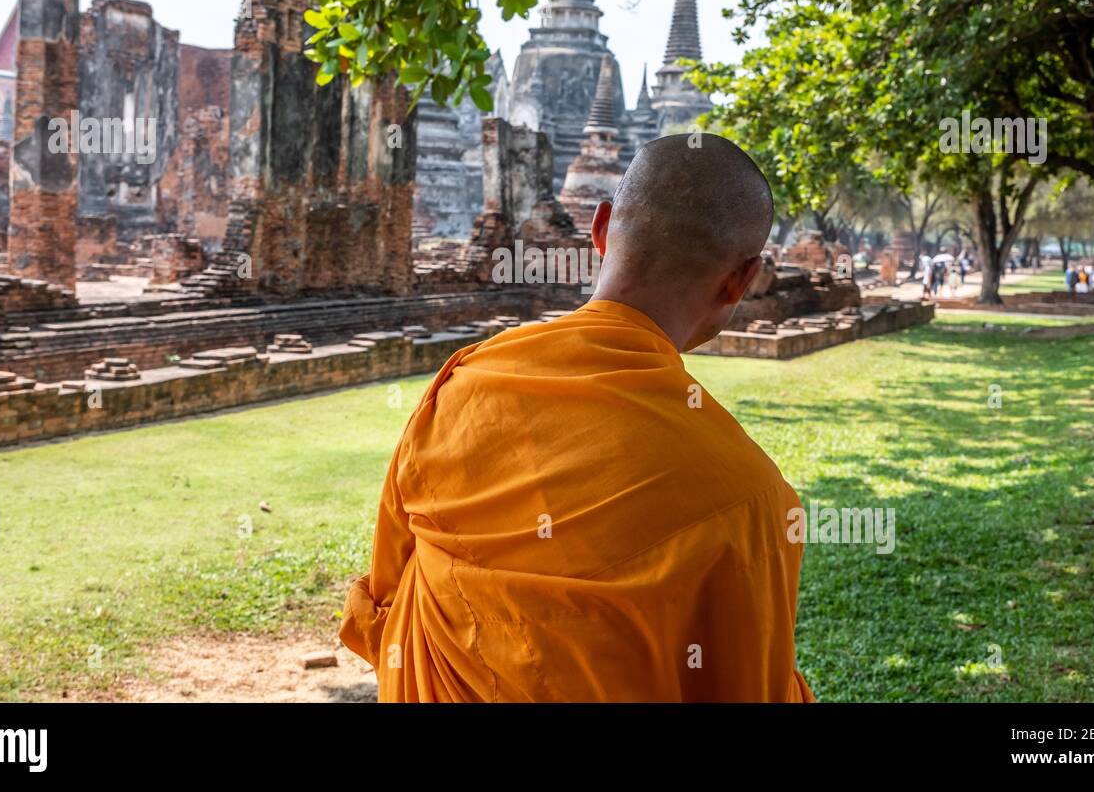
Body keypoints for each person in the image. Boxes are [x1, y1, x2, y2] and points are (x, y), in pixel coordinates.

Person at [340, 133, 814, 702]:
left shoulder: (465, 388)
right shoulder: (753, 501)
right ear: (741, 279)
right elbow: (751, 688)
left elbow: (386, 603)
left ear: (600, 230)